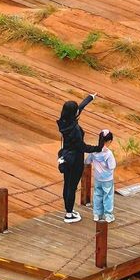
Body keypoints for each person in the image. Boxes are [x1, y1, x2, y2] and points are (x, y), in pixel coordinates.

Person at [57, 94, 103, 223]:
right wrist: (97, 148)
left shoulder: (63, 122)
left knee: (67, 184)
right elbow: (82, 147)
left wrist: (90, 98)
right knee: (72, 187)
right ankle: (69, 214)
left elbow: (79, 109)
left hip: (65, 156)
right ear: (73, 113)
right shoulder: (75, 129)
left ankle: (68, 210)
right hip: (75, 159)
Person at [86, 130, 116, 223]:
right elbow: (112, 166)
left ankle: (97, 214)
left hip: (97, 178)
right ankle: (108, 215)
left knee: (97, 195)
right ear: (109, 141)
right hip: (107, 179)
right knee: (108, 196)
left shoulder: (94, 151)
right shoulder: (108, 153)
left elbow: (87, 161)